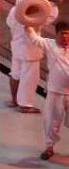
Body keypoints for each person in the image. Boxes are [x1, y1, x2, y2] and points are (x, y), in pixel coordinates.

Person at [8, 0, 62, 112]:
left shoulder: (13, 11)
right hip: (30, 51)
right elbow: (51, 16)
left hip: (16, 48)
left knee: (15, 74)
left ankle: (14, 100)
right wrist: (52, 0)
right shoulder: (35, 14)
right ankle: (25, 105)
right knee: (29, 78)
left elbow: (9, 24)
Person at [25, 21, 69, 160]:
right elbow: (34, 38)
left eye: (68, 34)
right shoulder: (49, 44)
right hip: (55, 92)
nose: (66, 37)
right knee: (51, 122)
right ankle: (49, 148)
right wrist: (27, 23)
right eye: (63, 34)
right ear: (56, 34)